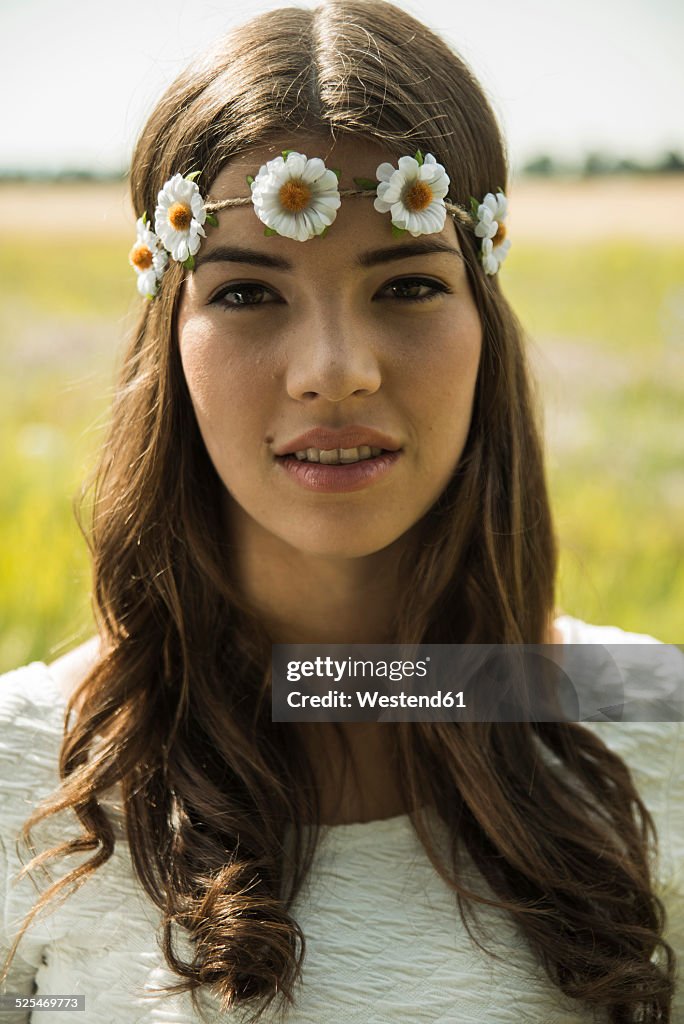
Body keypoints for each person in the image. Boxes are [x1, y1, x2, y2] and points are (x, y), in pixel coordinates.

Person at [1, 1, 682, 1021]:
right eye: (245, 294)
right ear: (171, 334)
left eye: (406, 286)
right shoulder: (23, 767)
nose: (335, 371)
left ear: (483, 318)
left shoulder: (649, 710)